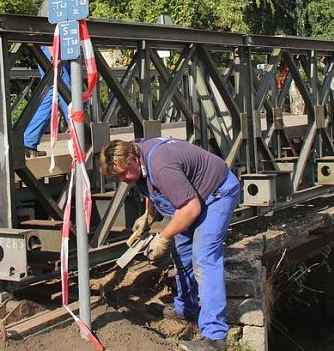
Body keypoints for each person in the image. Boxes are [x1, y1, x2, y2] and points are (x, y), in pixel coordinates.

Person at [99, 137, 240, 351]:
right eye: (116, 176)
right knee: (182, 253)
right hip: (192, 196)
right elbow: (152, 185)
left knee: (204, 258)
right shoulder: (136, 154)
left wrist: (163, 237)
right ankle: (186, 309)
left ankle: (215, 337)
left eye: (123, 173)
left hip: (216, 194)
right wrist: (149, 215)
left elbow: (191, 209)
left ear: (134, 159)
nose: (122, 179)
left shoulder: (161, 165)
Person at [23, 0, 70, 158]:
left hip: (58, 51)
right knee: (67, 93)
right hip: (54, 51)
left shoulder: (59, 1)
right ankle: (81, 136)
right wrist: (53, 55)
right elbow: (49, 31)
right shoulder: (54, 1)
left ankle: (28, 141)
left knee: (50, 96)